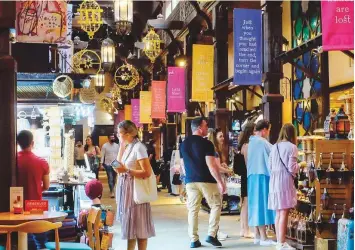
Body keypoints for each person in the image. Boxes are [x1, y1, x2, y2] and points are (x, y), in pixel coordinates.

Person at [180, 117, 226, 248]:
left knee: (193, 210)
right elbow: (212, 166)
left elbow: (182, 165)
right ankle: (211, 235)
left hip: (190, 181)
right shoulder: (207, 144)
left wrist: (187, 178)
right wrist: (220, 182)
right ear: (200, 128)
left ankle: (194, 239)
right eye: (205, 126)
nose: (207, 128)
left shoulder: (183, 144)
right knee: (216, 205)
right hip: (206, 181)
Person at [114, 120, 155, 250]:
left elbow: (147, 172)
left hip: (135, 191)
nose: (117, 135)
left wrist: (126, 170)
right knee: (130, 226)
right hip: (127, 190)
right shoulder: (128, 146)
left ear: (127, 134)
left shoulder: (139, 147)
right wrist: (121, 146)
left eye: (119, 133)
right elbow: (119, 163)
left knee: (139, 226)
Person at [17, 130, 50, 249]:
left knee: (21, 238)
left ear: (18, 143)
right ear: (33, 143)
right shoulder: (42, 162)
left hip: (16, 205)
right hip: (36, 204)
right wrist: (35, 189)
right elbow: (46, 186)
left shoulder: (13, 161)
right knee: (41, 241)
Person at [268, 124, 299, 250]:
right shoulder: (292, 147)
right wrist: (300, 165)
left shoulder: (274, 147)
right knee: (284, 212)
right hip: (285, 181)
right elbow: (292, 167)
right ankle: (281, 242)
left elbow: (269, 165)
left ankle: (279, 241)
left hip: (274, 181)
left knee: (278, 212)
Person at [247, 119, 275, 246]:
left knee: (255, 205)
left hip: (252, 176)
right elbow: (275, 153)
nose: (268, 133)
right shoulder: (262, 142)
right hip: (262, 175)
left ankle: (257, 234)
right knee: (262, 205)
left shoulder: (251, 141)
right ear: (264, 130)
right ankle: (264, 236)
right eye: (268, 130)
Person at [207, 128, 233, 241]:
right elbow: (217, 168)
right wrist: (228, 170)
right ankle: (215, 232)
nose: (223, 138)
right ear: (215, 138)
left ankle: (216, 231)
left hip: (213, 181)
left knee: (215, 207)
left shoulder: (213, 151)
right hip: (217, 181)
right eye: (220, 136)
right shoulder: (215, 151)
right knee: (217, 207)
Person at [237, 122, 255, 238]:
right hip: (248, 177)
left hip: (244, 177)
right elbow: (249, 164)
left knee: (244, 204)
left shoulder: (242, 145)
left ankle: (243, 229)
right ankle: (246, 229)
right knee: (246, 204)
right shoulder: (248, 146)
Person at [100, 134, 119, 198]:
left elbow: (119, 155)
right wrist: (101, 164)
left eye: (113, 137)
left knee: (114, 178)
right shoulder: (105, 146)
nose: (112, 138)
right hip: (107, 164)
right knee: (110, 177)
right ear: (108, 138)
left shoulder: (117, 146)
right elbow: (102, 155)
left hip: (115, 163)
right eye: (111, 137)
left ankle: (112, 188)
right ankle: (112, 191)